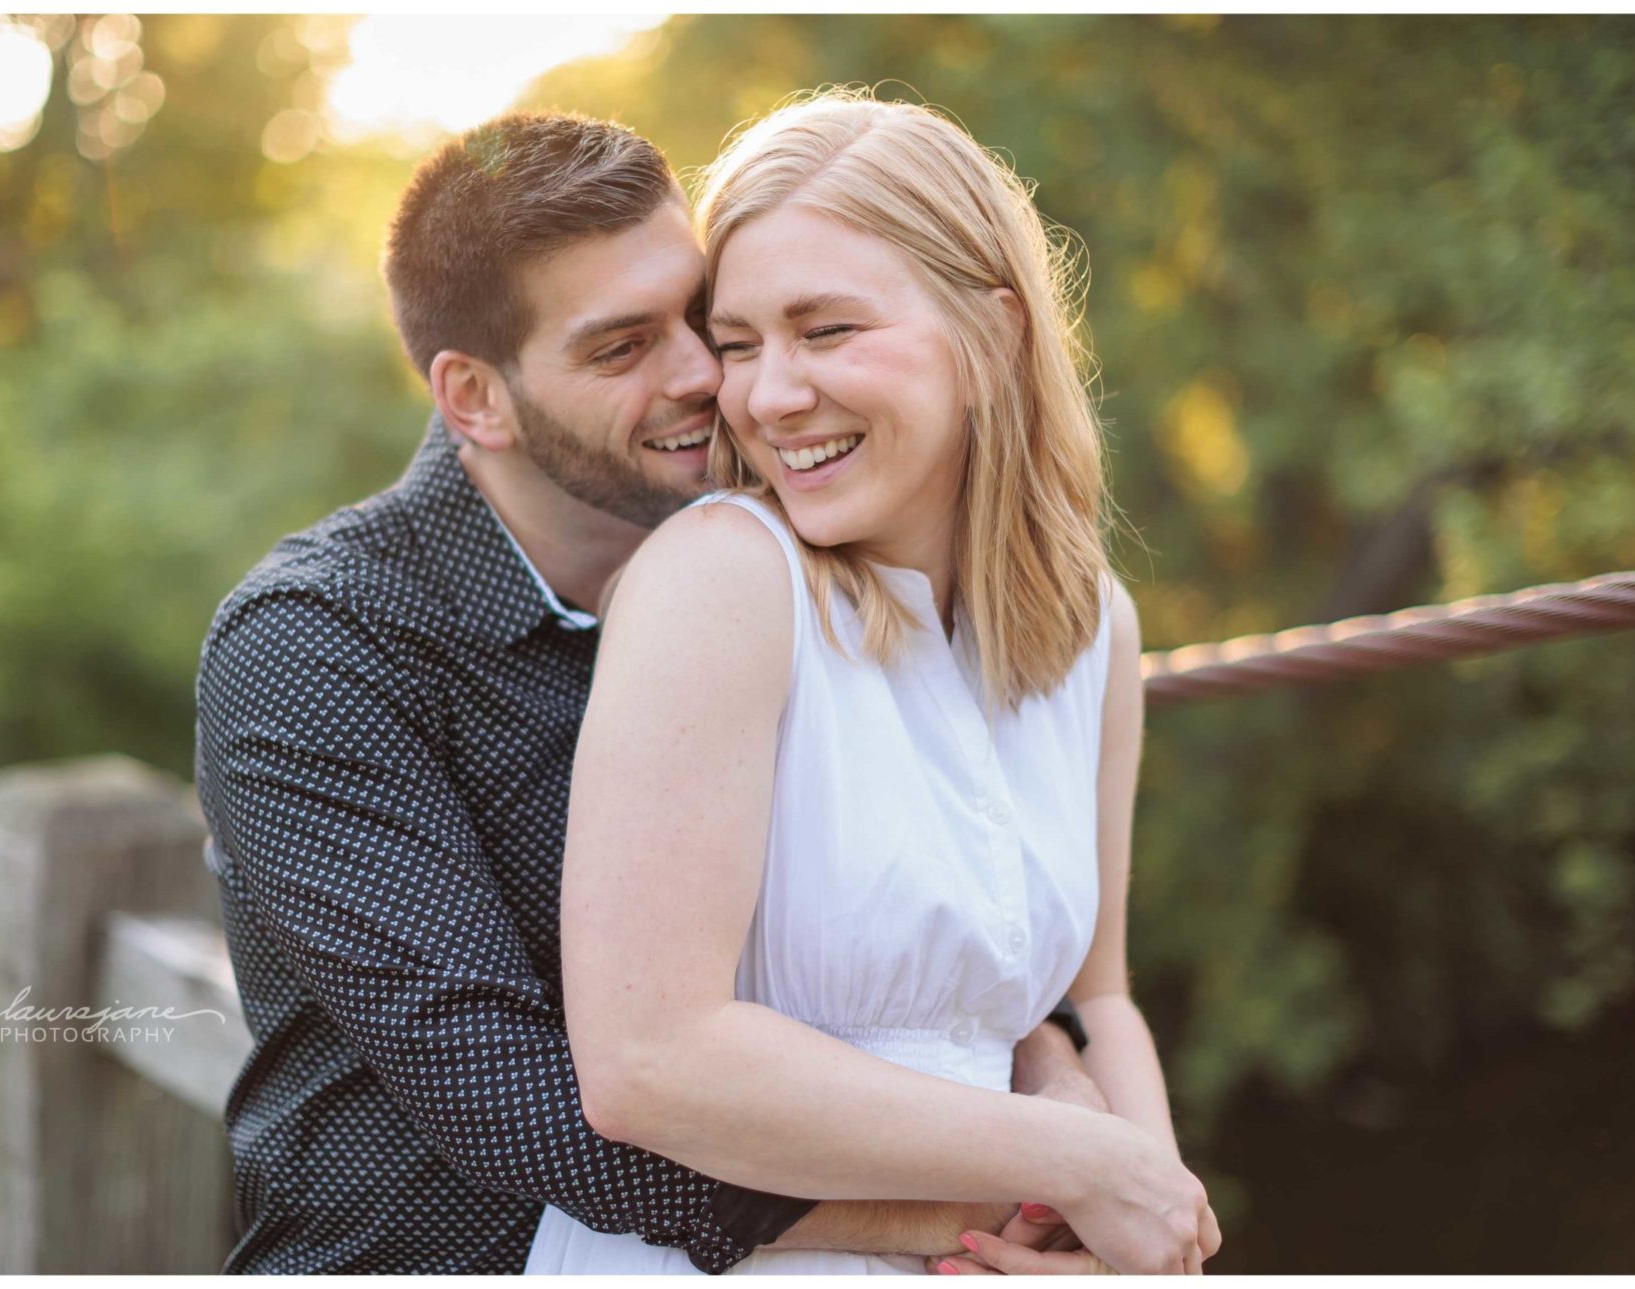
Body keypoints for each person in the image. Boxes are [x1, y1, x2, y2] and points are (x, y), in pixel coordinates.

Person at [195, 109, 1106, 1275]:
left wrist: (1055, 1058)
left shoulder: (787, 567)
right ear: (474, 396)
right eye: (622, 348)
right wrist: (1000, 1206)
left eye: (697, 318)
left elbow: (919, 887)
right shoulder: (320, 645)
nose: (705, 380)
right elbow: (512, 1088)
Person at [522, 89, 1222, 1275]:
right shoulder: (722, 580)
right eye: (738, 344)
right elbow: (649, 1056)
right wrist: (1073, 1165)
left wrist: (1147, 1237)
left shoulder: (1094, 626)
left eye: (826, 330)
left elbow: (1096, 1001)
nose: (768, 395)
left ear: (994, 332)